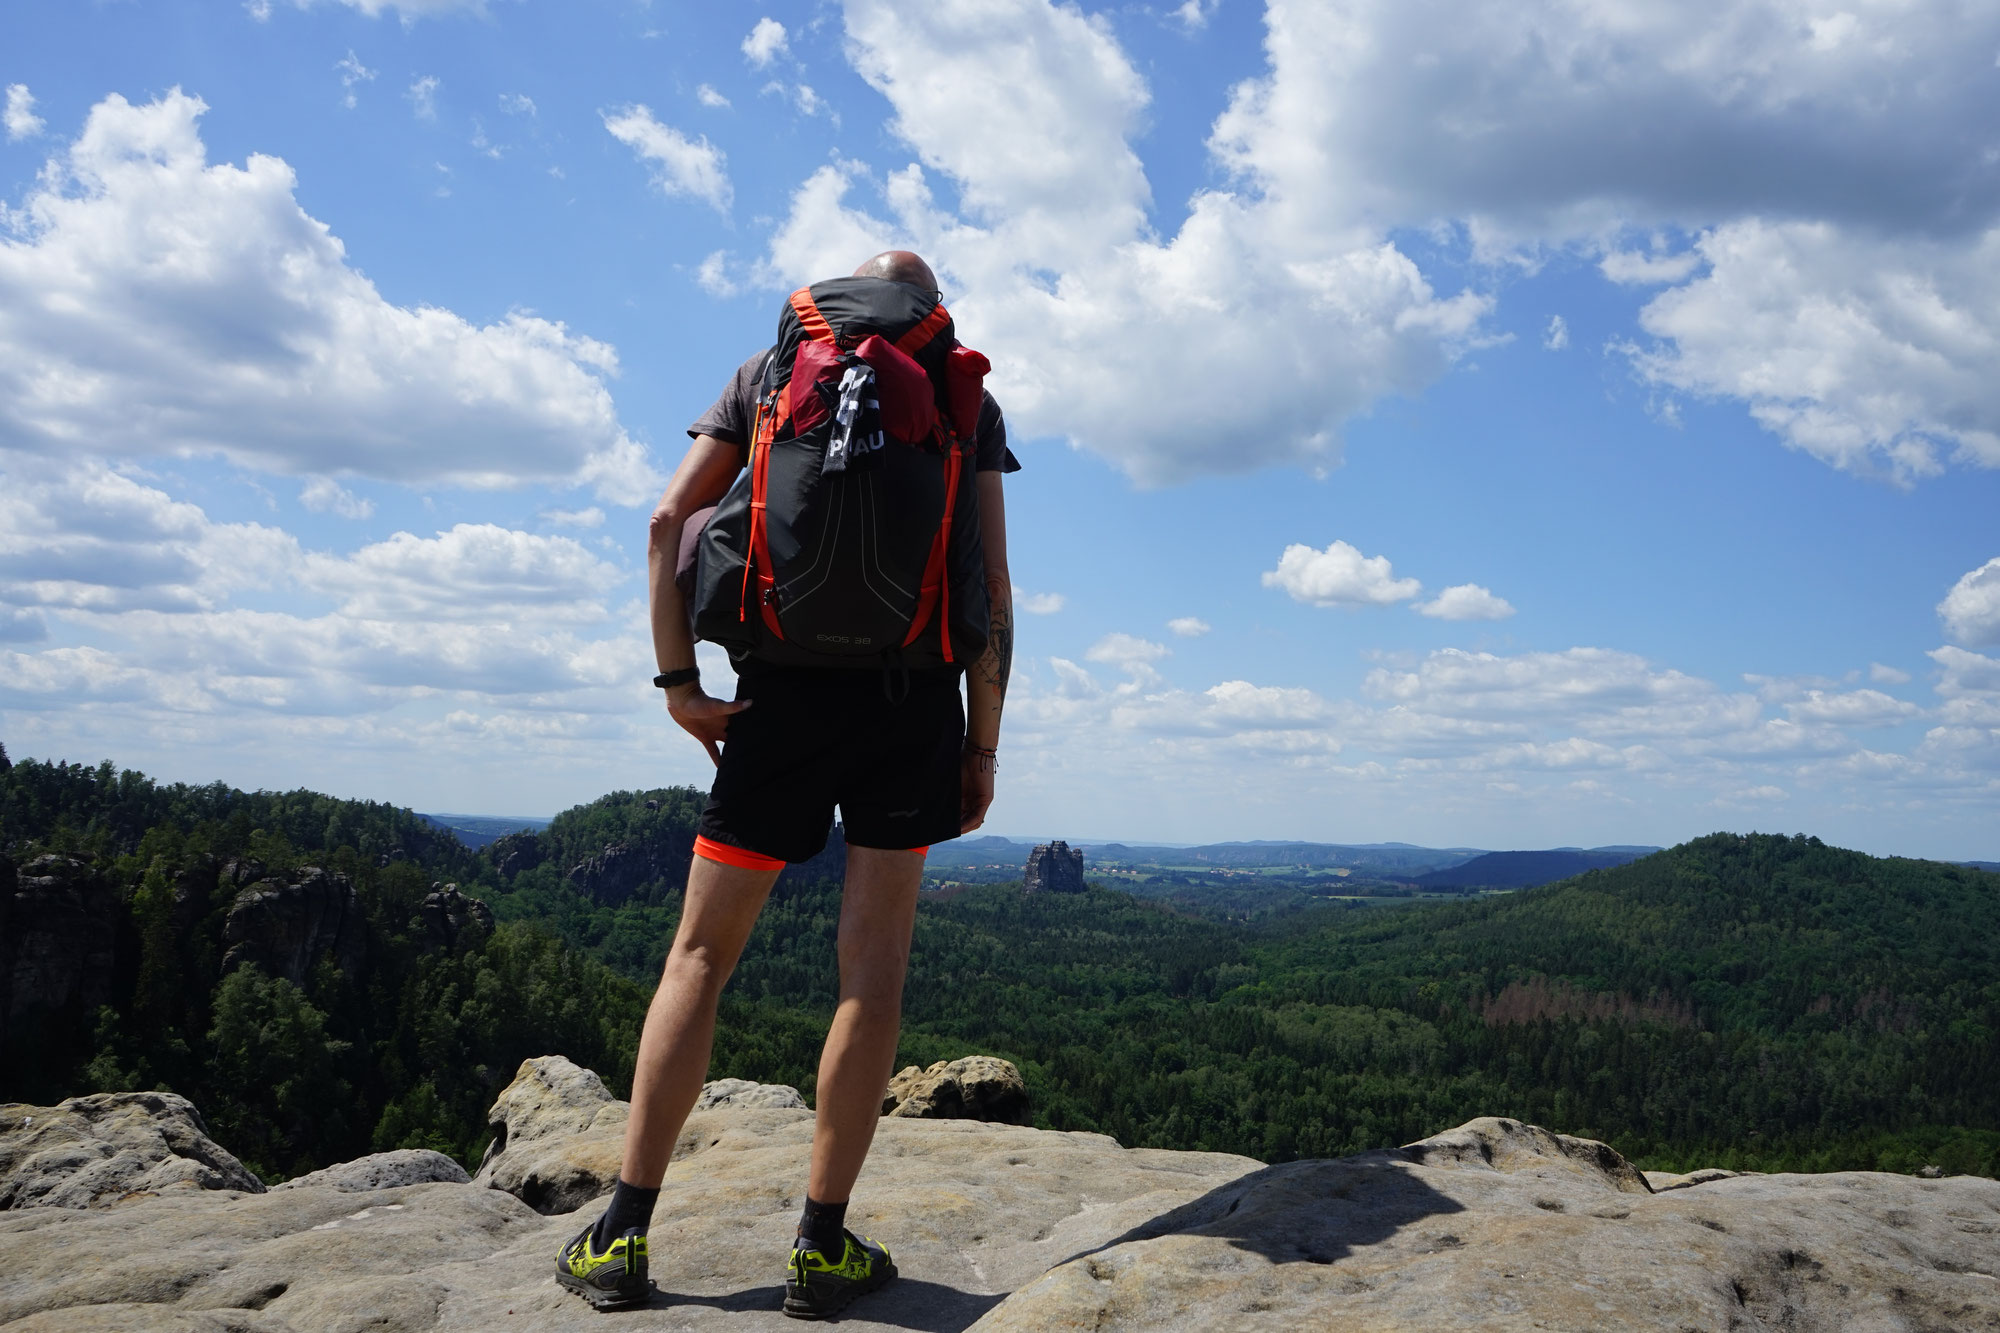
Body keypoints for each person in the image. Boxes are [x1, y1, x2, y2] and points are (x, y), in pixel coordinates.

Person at [554, 250, 1018, 1319]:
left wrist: (679, 684)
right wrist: (979, 743)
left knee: (699, 958)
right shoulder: (961, 391)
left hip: (775, 701)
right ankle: (819, 1247)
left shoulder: (767, 370)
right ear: (929, 309)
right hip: (911, 703)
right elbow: (990, 588)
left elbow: (668, 524)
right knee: (870, 974)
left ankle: (620, 1237)